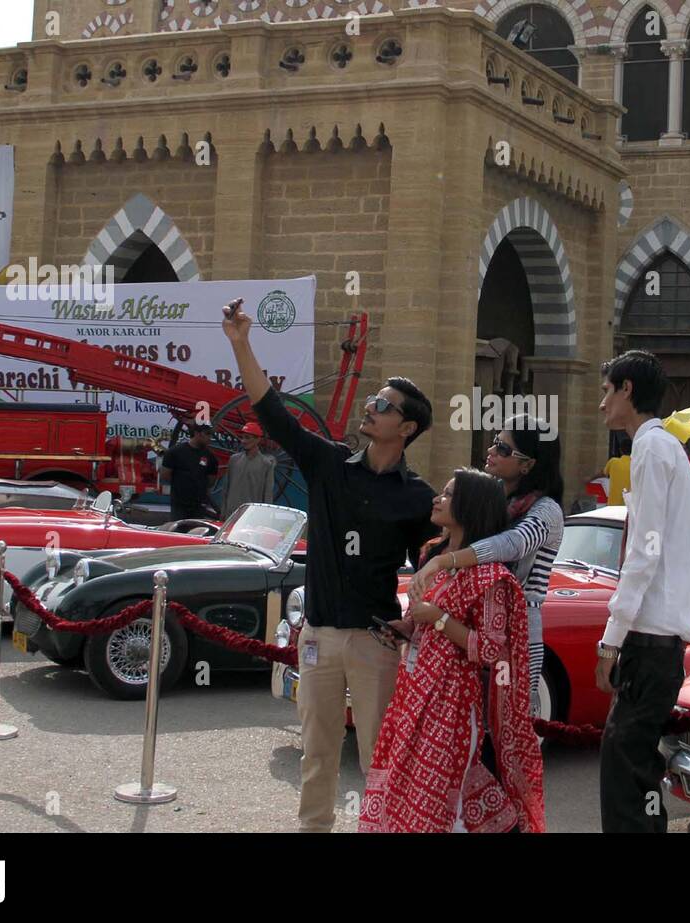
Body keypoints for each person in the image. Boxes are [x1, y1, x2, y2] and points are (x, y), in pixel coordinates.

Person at [221, 298, 439, 834]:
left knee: (376, 762)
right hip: (317, 635)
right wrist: (241, 343)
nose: (370, 408)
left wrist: (416, 621)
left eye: (383, 406)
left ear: (406, 428)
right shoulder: (327, 464)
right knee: (316, 755)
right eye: (372, 400)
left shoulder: (416, 497)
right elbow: (272, 410)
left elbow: (433, 566)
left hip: (374, 642)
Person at [360, 468, 544, 833]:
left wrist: (440, 619)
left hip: (452, 703)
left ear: (470, 506)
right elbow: (426, 625)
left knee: (443, 803)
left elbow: (493, 650)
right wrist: (408, 630)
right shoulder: (436, 561)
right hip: (414, 693)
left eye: (447, 494)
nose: (437, 499)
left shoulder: (491, 578)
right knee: (407, 791)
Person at [595, 350, 690, 834]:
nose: (601, 405)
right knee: (634, 769)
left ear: (627, 390)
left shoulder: (652, 448)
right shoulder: (661, 447)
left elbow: (645, 551)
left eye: (606, 391)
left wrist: (611, 638)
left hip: (651, 639)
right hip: (656, 639)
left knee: (625, 769)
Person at [407, 415, 563, 712]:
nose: (491, 451)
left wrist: (442, 562)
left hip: (516, 629)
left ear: (528, 464)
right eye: (495, 442)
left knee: (508, 722)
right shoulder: (493, 502)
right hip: (468, 627)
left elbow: (512, 545)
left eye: (503, 449)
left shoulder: (546, 510)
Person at [161, 424, 219, 520]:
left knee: (196, 533)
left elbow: (211, 481)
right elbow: (165, 475)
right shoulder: (174, 452)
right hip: (179, 504)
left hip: (199, 505)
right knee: (178, 533)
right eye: (207, 434)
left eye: (211, 434)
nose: (210, 437)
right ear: (197, 433)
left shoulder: (210, 457)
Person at [221, 421, 277, 518]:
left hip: (250, 517)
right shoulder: (234, 459)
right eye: (242, 437)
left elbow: (267, 495)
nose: (243, 441)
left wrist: (265, 518)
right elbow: (226, 488)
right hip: (230, 515)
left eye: (247, 437)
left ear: (258, 439)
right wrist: (223, 512)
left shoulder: (266, 464)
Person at [603, 434, 632, 505]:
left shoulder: (613, 462)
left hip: (612, 504)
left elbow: (603, 473)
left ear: (620, 450)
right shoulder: (636, 464)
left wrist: (589, 478)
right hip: (628, 505)